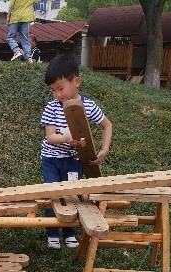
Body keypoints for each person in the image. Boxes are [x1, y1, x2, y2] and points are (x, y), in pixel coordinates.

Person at [40, 55, 112, 249]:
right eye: (53, 90)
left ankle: (70, 232)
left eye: (61, 88)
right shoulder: (52, 108)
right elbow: (50, 137)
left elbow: (106, 125)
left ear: (76, 82)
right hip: (52, 159)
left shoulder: (88, 106)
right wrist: (65, 138)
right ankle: (52, 232)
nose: (57, 94)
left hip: (74, 160)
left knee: (73, 194)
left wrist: (104, 150)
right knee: (54, 193)